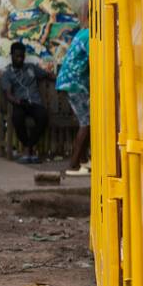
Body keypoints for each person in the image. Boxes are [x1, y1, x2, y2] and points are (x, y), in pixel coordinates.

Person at [0, 41, 52, 164]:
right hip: (20, 103)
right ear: (11, 55)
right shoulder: (7, 74)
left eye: (22, 56)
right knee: (17, 118)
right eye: (17, 56)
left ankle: (28, 148)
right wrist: (18, 101)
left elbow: (47, 75)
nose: (19, 59)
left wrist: (60, 79)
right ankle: (29, 149)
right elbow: (9, 95)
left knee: (43, 117)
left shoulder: (31, 67)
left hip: (35, 102)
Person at [56, 25, 91, 175]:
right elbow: (95, 60)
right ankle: (74, 164)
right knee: (86, 123)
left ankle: (83, 162)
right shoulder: (92, 35)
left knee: (86, 122)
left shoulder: (83, 32)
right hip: (75, 83)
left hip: (69, 82)